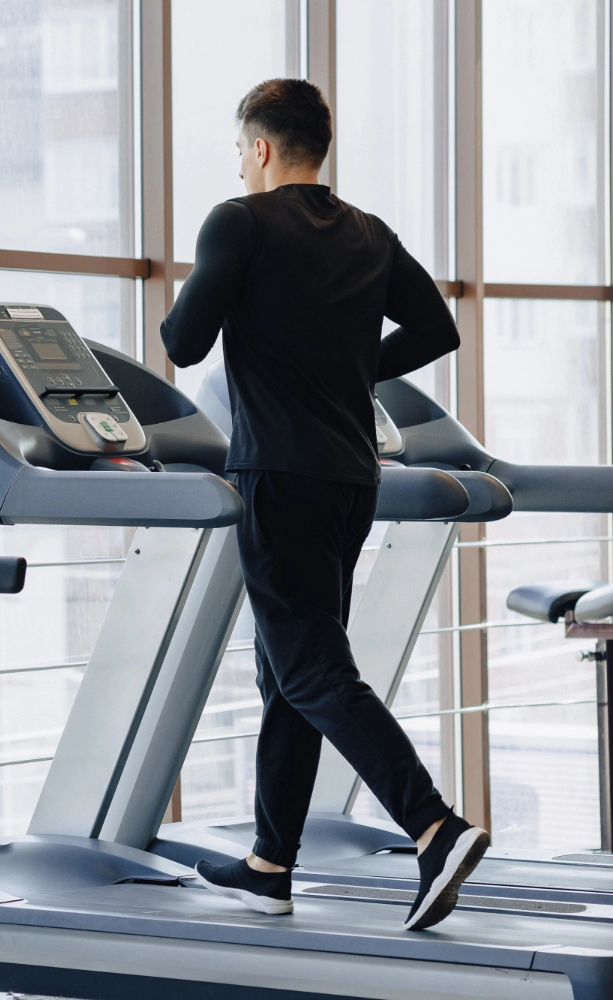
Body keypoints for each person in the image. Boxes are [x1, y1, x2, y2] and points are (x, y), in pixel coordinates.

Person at [161, 78, 486, 932]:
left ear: (262, 148)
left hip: (278, 473)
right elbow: (436, 332)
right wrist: (342, 366)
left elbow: (182, 341)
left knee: (309, 667)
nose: (239, 164)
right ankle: (271, 863)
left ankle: (433, 826)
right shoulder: (370, 234)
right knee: (289, 670)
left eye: (240, 151)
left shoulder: (240, 221)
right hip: (350, 479)